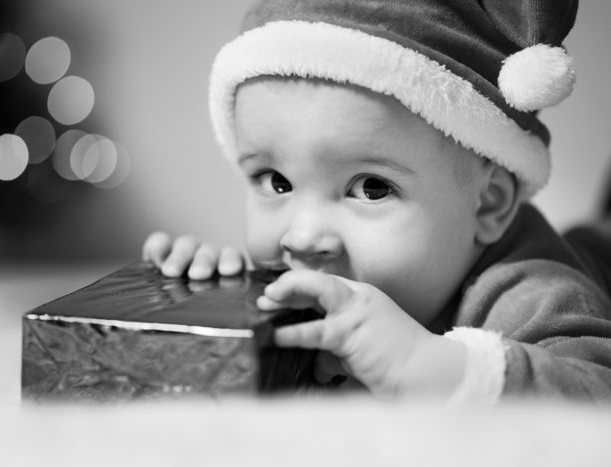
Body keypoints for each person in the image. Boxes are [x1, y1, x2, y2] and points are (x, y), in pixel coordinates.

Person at [143, 0, 611, 403]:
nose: (303, 237)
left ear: (486, 205)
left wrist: (429, 365)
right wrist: (209, 302)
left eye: (372, 188)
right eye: (277, 182)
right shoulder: (313, 283)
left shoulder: (534, 294)